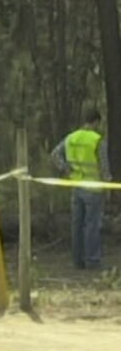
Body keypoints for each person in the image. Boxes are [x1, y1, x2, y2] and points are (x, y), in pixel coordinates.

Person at [51, 108, 111, 270]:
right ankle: (93, 260)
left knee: (77, 224)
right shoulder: (97, 140)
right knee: (92, 225)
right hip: (94, 188)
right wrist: (108, 185)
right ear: (96, 121)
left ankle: (78, 260)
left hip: (76, 186)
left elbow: (55, 154)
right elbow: (103, 166)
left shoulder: (71, 138)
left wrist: (67, 169)